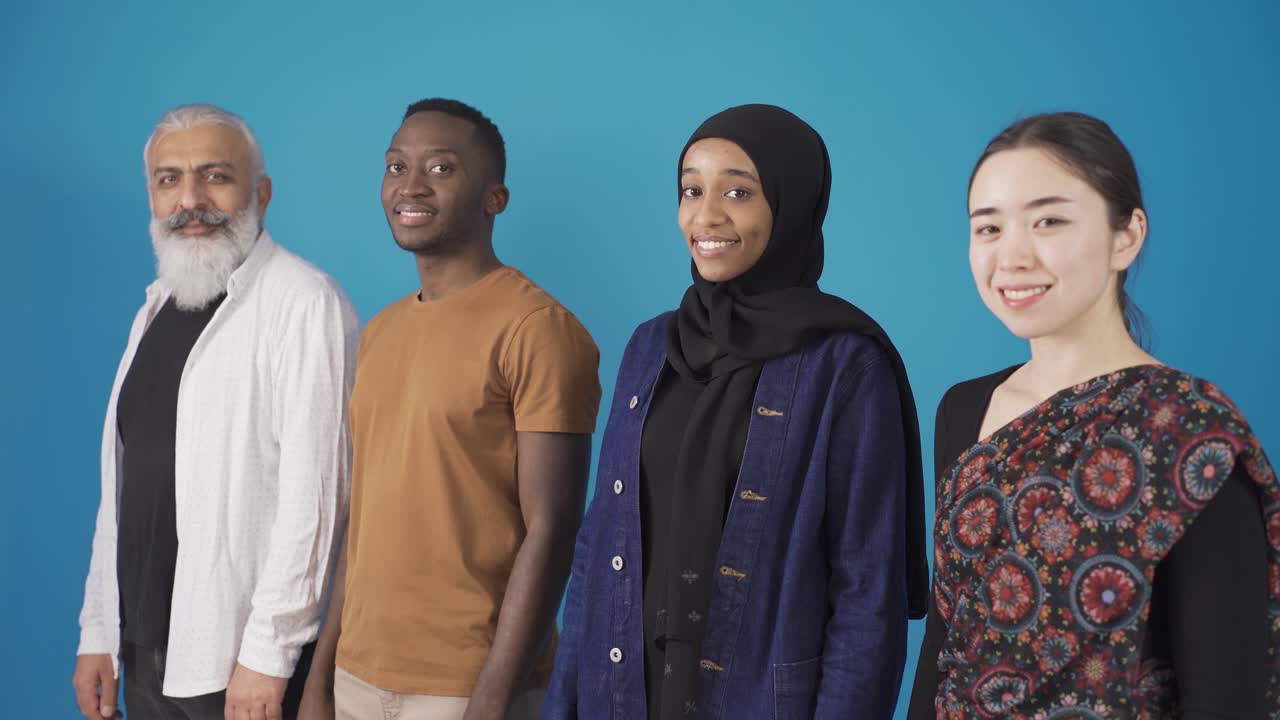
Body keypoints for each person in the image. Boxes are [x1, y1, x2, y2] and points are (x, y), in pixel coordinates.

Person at [542, 103, 929, 719]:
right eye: (691, 190)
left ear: (791, 204)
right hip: (622, 695)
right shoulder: (651, 346)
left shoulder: (846, 367)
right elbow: (600, 541)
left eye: (739, 192)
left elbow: (867, 595)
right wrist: (562, 704)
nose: (706, 216)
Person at [907, 111, 1279, 718]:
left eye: (1049, 220)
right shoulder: (964, 408)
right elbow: (946, 639)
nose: (1013, 256)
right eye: (988, 228)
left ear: (1125, 236)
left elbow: (1226, 692)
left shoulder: (1187, 429)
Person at [297, 98, 601, 720]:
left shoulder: (537, 328)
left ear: (495, 198)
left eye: (441, 168)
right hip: (358, 676)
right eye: (395, 166)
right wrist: (319, 681)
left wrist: (492, 697)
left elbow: (553, 530)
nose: (409, 185)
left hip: (464, 688)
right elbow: (365, 520)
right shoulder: (379, 332)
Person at [72, 103, 360, 720]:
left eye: (216, 176)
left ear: (262, 192)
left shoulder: (305, 304)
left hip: (239, 659)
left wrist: (269, 653)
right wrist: (98, 631)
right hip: (147, 646)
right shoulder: (153, 310)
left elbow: (317, 499)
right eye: (168, 179)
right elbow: (121, 489)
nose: (189, 199)